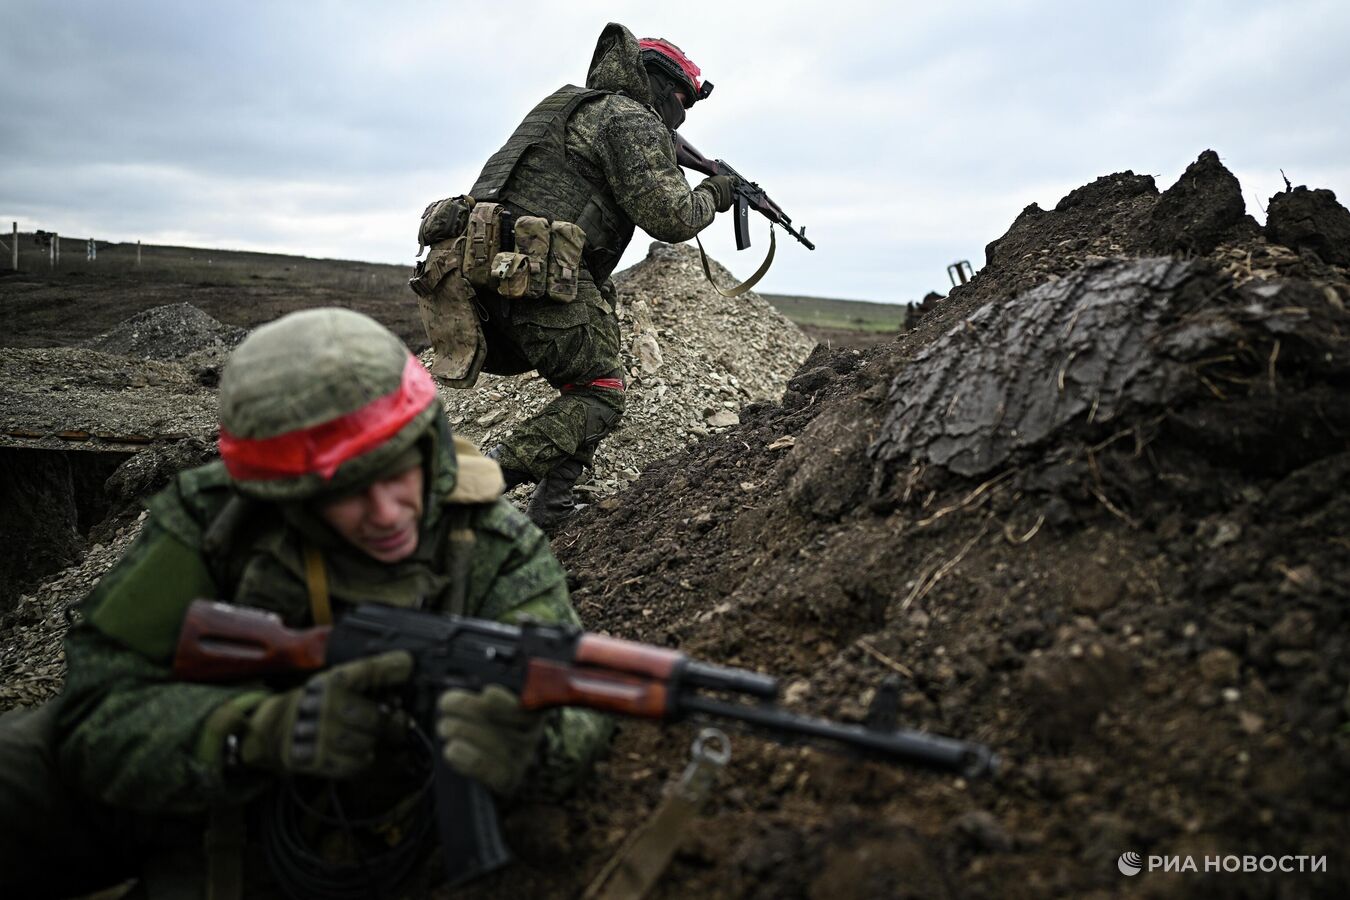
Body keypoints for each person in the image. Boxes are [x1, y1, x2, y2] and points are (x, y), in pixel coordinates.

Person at [0, 307, 610, 898]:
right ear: (283, 493)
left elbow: (578, 698)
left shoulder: (492, 544)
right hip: (203, 783)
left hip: (354, 821)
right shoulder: (218, 521)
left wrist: (531, 741)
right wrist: (253, 732)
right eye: (346, 490)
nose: (386, 512)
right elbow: (98, 708)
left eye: (399, 472)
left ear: (430, 446)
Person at [456, 22, 735, 529]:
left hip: (486, 267)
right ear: (662, 88)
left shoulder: (576, 105)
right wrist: (717, 191)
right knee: (600, 393)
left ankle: (552, 507)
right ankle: (472, 485)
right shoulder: (630, 118)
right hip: (537, 270)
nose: (681, 115)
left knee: (590, 379)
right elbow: (674, 219)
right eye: (683, 102)